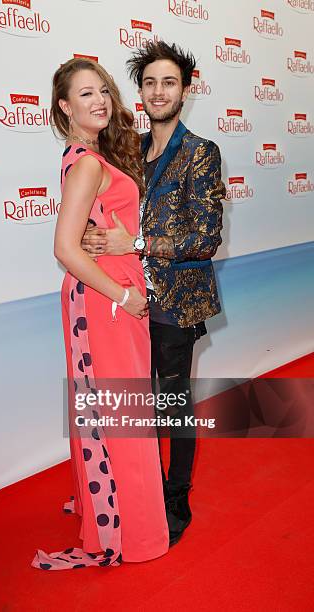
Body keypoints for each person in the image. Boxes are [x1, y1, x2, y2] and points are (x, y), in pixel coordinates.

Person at [82, 42, 226, 545]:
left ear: (186, 89)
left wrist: (137, 243)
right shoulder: (128, 151)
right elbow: (110, 213)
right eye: (149, 83)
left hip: (176, 302)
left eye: (169, 82)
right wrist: (93, 239)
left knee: (172, 402)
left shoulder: (202, 152)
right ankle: (138, 489)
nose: (158, 91)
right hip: (128, 299)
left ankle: (176, 495)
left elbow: (206, 239)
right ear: (139, 92)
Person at [31, 58, 169, 571]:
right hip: (106, 302)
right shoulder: (87, 162)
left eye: (103, 92)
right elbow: (66, 248)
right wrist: (122, 295)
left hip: (107, 297)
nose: (100, 101)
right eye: (85, 95)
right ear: (65, 106)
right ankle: (136, 538)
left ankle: (115, 521)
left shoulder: (88, 156)